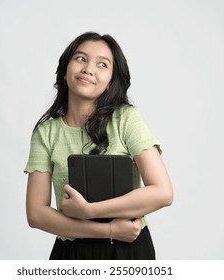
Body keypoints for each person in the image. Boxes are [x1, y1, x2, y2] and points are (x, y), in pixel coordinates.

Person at [24, 31, 173, 260]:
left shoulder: (126, 119)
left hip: (129, 249)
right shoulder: (46, 133)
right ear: (65, 70)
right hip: (72, 253)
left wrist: (89, 211)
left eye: (102, 64)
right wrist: (109, 231)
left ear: (111, 82)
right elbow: (36, 214)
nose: (88, 69)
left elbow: (162, 193)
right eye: (81, 59)